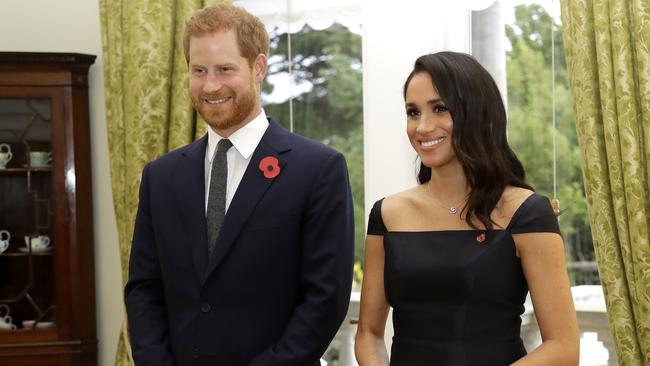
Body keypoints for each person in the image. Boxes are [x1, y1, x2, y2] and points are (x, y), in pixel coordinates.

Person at [124, 4, 355, 366]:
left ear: (258, 67)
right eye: (199, 70)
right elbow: (143, 290)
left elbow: (325, 300)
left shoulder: (318, 170)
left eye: (225, 69)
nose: (210, 85)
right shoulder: (160, 177)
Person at [354, 52, 579, 365]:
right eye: (413, 112)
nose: (422, 127)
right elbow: (368, 333)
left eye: (440, 108)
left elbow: (564, 348)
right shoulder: (388, 214)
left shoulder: (526, 212)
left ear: (477, 112)